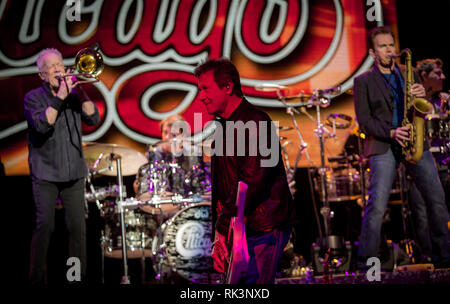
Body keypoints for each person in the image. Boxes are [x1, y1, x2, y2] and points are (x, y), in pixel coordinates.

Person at [353, 26, 450, 270]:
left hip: (415, 141)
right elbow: (364, 120)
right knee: (376, 206)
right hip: (384, 145)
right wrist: (391, 131)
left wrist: (422, 95)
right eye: (383, 47)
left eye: (390, 45)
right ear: (373, 53)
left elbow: (422, 105)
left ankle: (444, 257)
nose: (389, 50)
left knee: (436, 200)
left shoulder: (410, 73)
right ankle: (365, 263)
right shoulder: (362, 81)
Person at [194, 58, 297, 283]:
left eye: (205, 89)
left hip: (263, 227)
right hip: (241, 228)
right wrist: (220, 237)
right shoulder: (223, 128)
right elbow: (223, 190)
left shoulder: (256, 122)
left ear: (228, 86)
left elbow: (251, 181)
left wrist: (222, 228)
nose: (201, 96)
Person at [24, 48, 100, 284]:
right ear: (42, 75)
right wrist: (60, 98)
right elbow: (42, 126)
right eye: (52, 66)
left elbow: (93, 118)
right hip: (45, 172)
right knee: (45, 227)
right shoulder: (33, 97)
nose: (58, 69)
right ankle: (36, 279)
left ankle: (75, 278)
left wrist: (81, 89)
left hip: (74, 173)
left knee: (77, 229)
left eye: (60, 64)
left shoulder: (75, 96)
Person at [408, 58, 449, 262]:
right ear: (424, 76)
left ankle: (443, 255)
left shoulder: (444, 100)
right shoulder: (412, 96)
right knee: (421, 213)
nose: (443, 77)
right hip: (420, 161)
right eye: (438, 74)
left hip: (443, 162)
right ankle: (427, 257)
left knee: (440, 208)